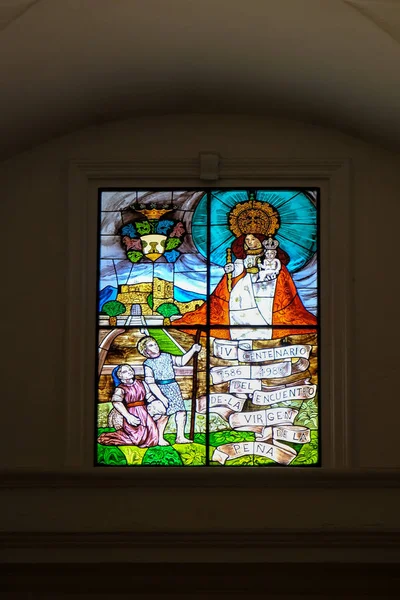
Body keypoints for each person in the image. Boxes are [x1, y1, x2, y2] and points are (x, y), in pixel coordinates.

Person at [173, 232, 317, 340]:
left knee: (265, 310)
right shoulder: (242, 260)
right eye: (247, 240)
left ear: (260, 240)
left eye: (253, 239)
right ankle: (241, 336)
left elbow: (279, 274)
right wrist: (230, 269)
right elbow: (236, 271)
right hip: (244, 288)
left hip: (268, 288)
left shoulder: (271, 258)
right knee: (240, 307)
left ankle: (265, 336)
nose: (251, 242)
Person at [137, 336, 201, 445]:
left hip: (173, 387)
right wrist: (161, 397)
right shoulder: (148, 364)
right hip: (160, 389)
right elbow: (150, 382)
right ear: (145, 351)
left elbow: (181, 362)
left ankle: (180, 437)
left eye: (155, 343)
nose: (155, 346)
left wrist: (193, 350)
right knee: (164, 415)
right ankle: (160, 438)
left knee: (181, 412)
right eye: (151, 345)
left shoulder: (167, 356)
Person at [98, 364, 158, 447]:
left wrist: (156, 404)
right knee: (138, 439)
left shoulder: (142, 383)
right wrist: (128, 416)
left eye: (130, 369)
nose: (129, 372)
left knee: (153, 437)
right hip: (132, 412)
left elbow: (149, 396)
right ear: (120, 376)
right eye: (125, 371)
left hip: (144, 412)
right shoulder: (120, 388)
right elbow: (116, 402)